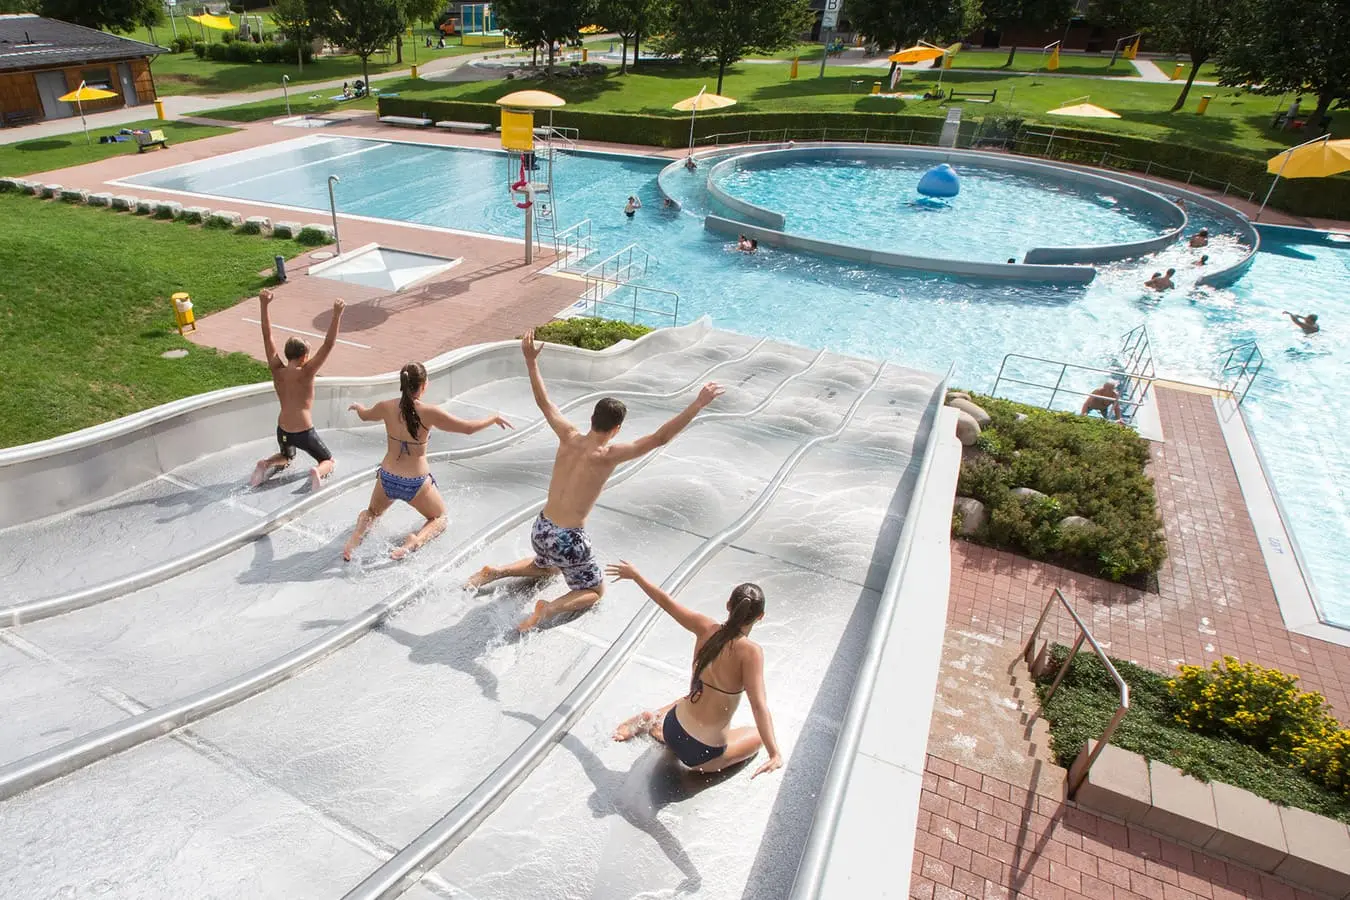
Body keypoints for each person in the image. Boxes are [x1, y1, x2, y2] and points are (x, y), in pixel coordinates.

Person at [467, 332, 724, 631]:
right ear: (617, 429)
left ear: (591, 418)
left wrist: (530, 361)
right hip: (569, 539)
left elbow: (544, 402)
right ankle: (547, 608)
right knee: (594, 591)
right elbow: (660, 437)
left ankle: (494, 571)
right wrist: (698, 404)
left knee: (548, 565)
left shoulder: (568, 435)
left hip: (541, 526)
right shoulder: (609, 454)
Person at [608, 561, 783, 778]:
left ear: (728, 605)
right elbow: (759, 707)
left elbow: (666, 602)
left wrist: (637, 576)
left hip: (673, 728)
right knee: (756, 736)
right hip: (700, 753)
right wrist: (774, 753)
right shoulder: (751, 652)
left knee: (697, 694)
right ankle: (656, 724)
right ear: (760, 616)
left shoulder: (704, 626)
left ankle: (654, 719)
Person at [343, 362, 512, 561]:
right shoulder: (429, 412)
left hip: (387, 477)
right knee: (439, 518)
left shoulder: (385, 406)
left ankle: (356, 537)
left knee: (372, 512)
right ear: (423, 386)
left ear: (402, 383)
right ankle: (415, 540)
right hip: (414, 483)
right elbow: (467, 428)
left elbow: (365, 416)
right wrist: (493, 418)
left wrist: (358, 407)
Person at [250, 290, 344, 491]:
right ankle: (317, 471)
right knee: (329, 460)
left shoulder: (277, 370)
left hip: (283, 429)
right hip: (304, 432)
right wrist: (336, 314)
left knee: (286, 456)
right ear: (304, 357)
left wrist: (264, 304)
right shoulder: (307, 372)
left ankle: (265, 463)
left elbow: (267, 337)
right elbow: (329, 344)